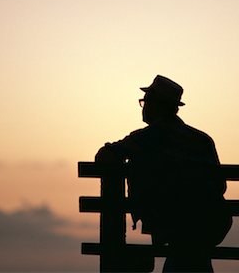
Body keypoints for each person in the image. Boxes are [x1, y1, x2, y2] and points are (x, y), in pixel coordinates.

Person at [95, 75, 231, 273]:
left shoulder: (144, 139)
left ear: (157, 105)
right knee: (192, 255)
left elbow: (105, 157)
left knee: (184, 248)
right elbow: (220, 185)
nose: (143, 106)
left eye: (146, 101)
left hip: (172, 224)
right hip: (212, 223)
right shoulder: (202, 140)